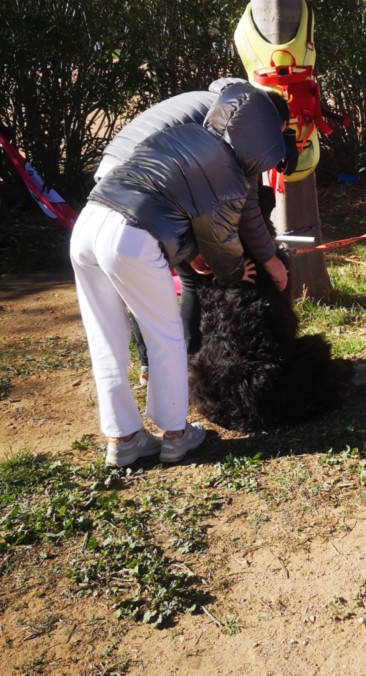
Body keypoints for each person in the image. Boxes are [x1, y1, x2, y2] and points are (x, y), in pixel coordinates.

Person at [71, 81, 290, 467]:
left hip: (89, 224)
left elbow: (171, 203)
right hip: (130, 236)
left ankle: (123, 439)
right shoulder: (227, 165)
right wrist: (237, 265)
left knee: (105, 337)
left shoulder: (187, 136)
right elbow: (222, 243)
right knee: (166, 337)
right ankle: (175, 434)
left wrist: (190, 255)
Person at [96, 79, 295, 377]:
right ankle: (185, 364)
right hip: (145, 185)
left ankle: (151, 364)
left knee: (141, 282)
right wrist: (271, 260)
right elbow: (246, 207)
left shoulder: (217, 102)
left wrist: (189, 250)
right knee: (188, 279)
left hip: (113, 175)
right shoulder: (243, 125)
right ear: (268, 122)